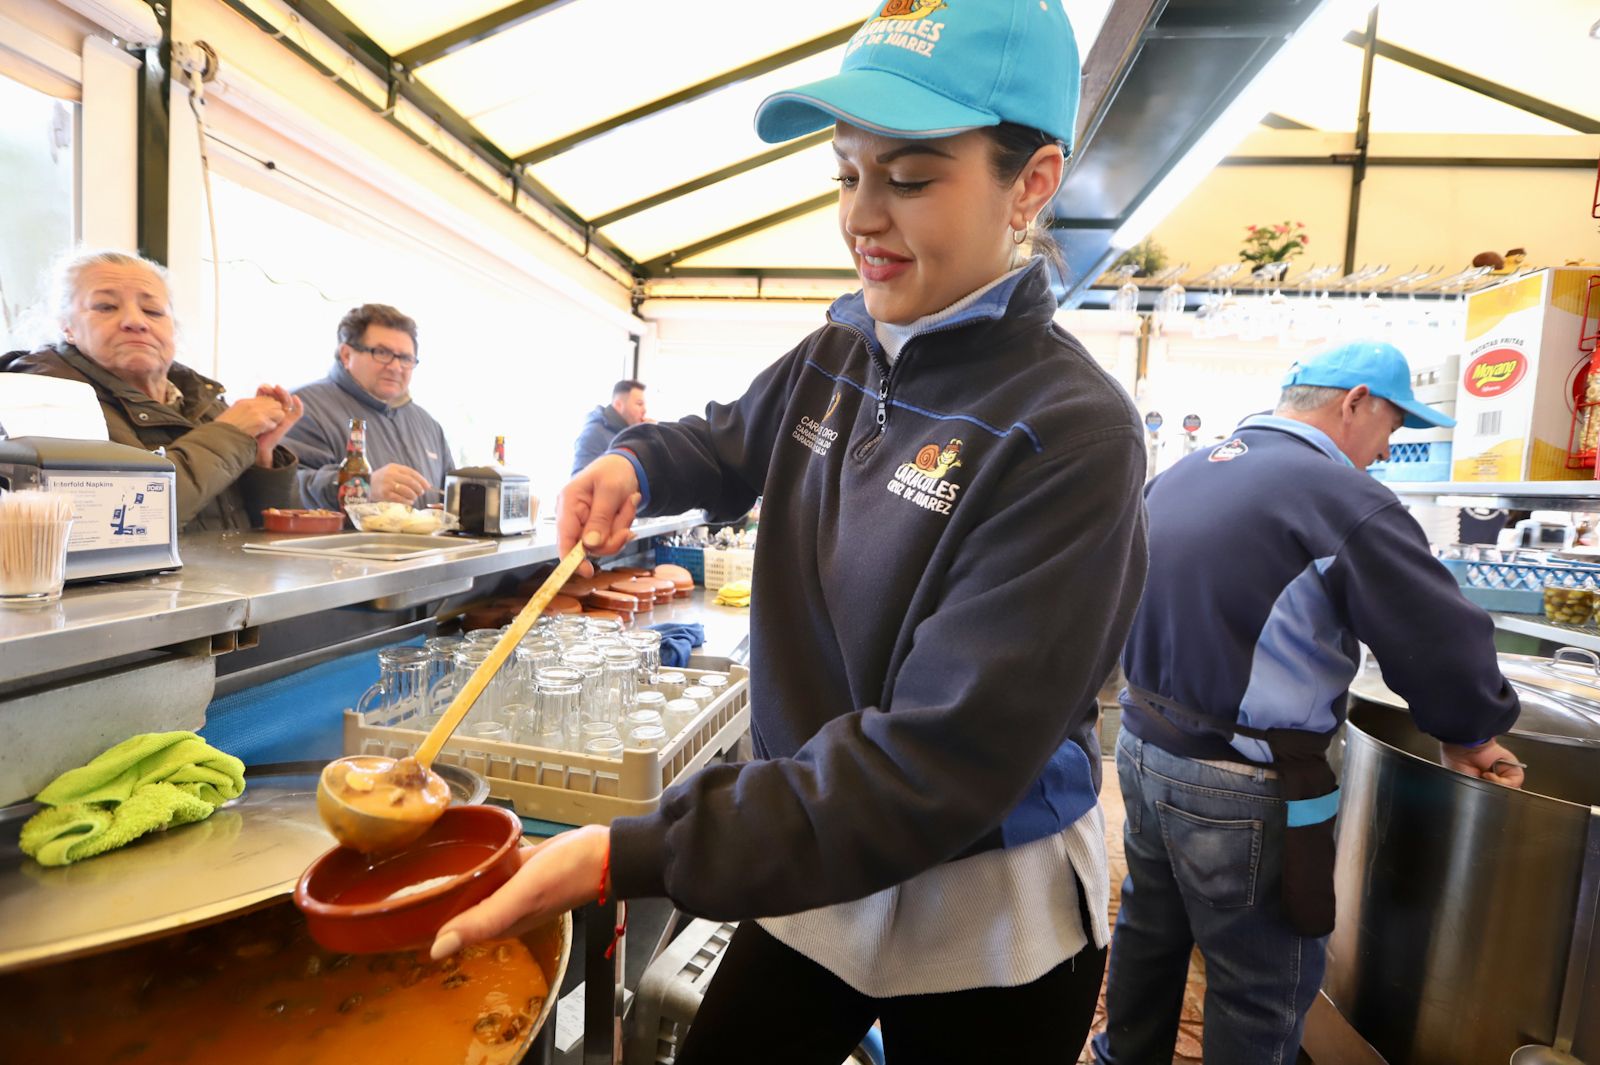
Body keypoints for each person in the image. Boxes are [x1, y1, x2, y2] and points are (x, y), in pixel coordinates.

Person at [432, 3, 1148, 1061]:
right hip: (813, 856)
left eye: (908, 179)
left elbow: (935, 760)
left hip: (980, 892)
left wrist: (623, 854)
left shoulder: (1069, 431)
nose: (863, 216)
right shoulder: (840, 350)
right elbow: (727, 442)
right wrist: (635, 461)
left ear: (1030, 183)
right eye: (844, 175)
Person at [1091, 340, 1523, 1065]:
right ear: (1354, 401)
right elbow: (1435, 633)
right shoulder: (1339, 498)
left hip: (1142, 749)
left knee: (1150, 936)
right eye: (1391, 426)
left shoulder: (1187, 473)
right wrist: (1473, 734)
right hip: (1243, 780)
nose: (1386, 451)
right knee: (1259, 981)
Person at [0, 249, 302, 530]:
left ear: (173, 326)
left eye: (153, 310)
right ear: (67, 327)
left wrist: (261, 457)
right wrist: (231, 433)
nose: (135, 321)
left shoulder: (204, 400)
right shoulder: (45, 394)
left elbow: (268, 533)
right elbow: (123, 522)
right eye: (106, 306)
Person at [287, 303, 454, 508]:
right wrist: (363, 486)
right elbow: (285, 488)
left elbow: (450, 494)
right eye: (382, 353)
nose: (395, 367)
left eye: (405, 358)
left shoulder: (429, 426)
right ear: (346, 355)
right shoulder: (301, 407)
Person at [571, 379, 646, 474]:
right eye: (639, 404)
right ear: (619, 405)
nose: (644, 410)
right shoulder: (593, 434)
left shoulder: (629, 433)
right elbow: (580, 483)